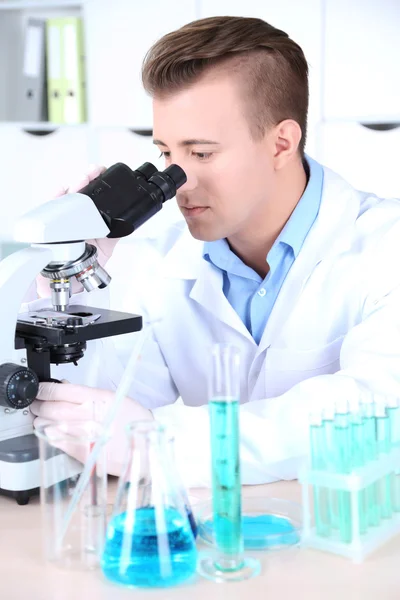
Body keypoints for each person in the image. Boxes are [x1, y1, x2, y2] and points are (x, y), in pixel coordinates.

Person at [29, 16, 400, 487]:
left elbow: (380, 410)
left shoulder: (389, 247)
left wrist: (160, 444)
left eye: (201, 153)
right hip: (215, 542)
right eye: (166, 154)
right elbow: (105, 420)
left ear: (282, 143)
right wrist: (63, 288)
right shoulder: (156, 263)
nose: (179, 183)